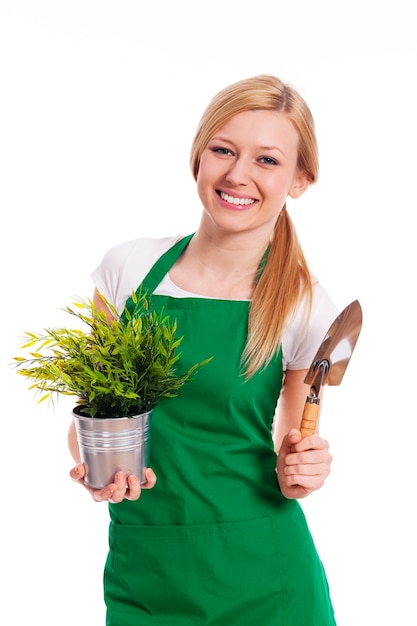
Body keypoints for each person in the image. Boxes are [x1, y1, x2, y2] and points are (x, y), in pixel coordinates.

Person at [68, 74, 339, 625]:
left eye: (267, 160)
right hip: (148, 567)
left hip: (267, 577)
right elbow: (91, 423)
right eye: (223, 150)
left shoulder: (303, 303)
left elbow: (293, 452)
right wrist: (99, 465)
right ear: (198, 158)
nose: (237, 174)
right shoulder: (130, 269)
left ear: (300, 180)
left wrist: (306, 468)